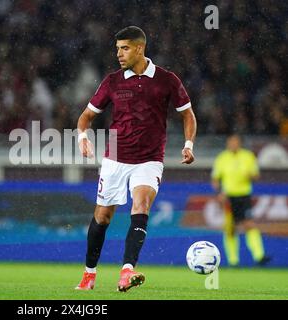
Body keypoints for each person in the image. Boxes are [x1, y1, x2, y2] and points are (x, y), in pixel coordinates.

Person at [75, 26, 197, 292]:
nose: (119, 53)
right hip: (116, 156)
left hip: (150, 158)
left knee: (141, 206)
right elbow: (85, 117)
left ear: (140, 48)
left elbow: (187, 114)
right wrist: (82, 137)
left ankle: (126, 271)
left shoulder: (166, 79)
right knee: (103, 217)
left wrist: (188, 144)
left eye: (125, 48)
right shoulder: (112, 81)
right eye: (117, 48)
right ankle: (89, 274)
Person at [211, 134, 271, 267]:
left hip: (244, 196)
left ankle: (259, 256)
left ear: (239, 143)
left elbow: (256, 175)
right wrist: (219, 193)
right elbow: (215, 179)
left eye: (235, 142)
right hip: (228, 197)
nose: (232, 144)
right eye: (230, 142)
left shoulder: (248, 156)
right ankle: (233, 261)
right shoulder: (222, 158)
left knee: (249, 224)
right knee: (230, 228)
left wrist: (250, 175)